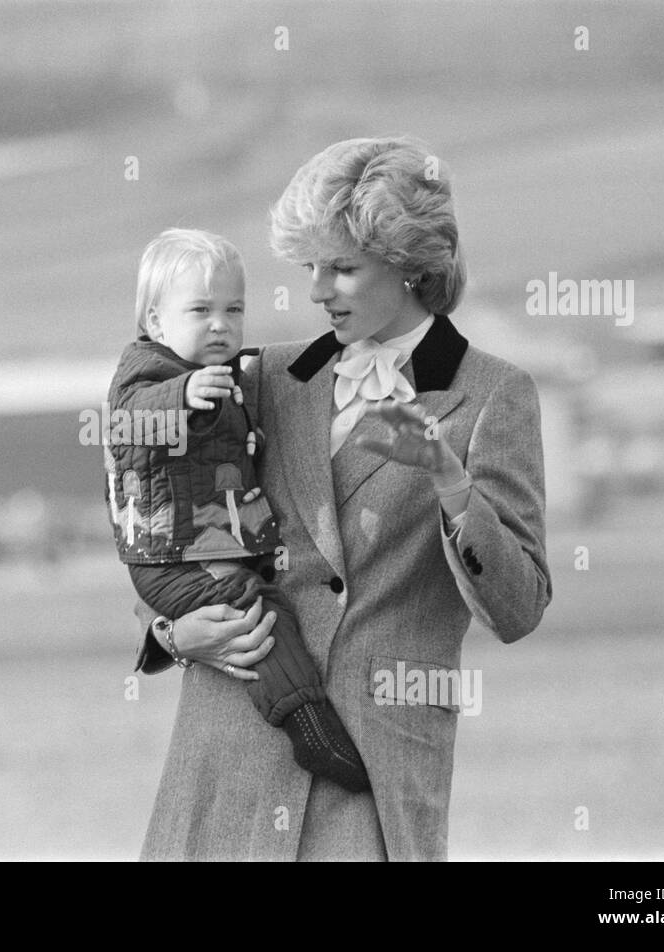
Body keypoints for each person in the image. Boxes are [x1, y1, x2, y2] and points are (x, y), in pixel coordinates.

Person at [133, 137, 552, 861]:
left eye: (343, 268)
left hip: (376, 772)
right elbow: (154, 516)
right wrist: (172, 636)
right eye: (310, 267)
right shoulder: (255, 377)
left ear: (412, 267)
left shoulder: (493, 396)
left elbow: (518, 606)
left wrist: (451, 483)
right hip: (227, 751)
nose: (317, 290)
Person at [106, 228, 368, 793]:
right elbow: (127, 419)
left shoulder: (244, 375)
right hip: (170, 556)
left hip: (204, 545)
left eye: (234, 309)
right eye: (200, 310)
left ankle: (304, 714)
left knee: (254, 594)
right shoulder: (148, 372)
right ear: (155, 321)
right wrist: (181, 396)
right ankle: (306, 721)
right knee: (253, 605)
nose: (221, 324)